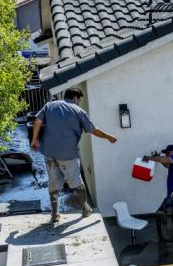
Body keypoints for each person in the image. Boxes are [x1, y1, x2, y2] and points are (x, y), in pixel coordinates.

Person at [31, 87, 117, 223]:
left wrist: (34, 139)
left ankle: (54, 214)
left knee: (53, 182)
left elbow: (37, 121)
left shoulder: (50, 105)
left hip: (49, 152)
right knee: (77, 182)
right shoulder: (78, 111)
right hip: (68, 154)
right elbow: (92, 130)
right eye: (79, 100)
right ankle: (85, 208)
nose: (79, 103)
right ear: (75, 98)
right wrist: (108, 137)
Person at [143, 145, 173, 239]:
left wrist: (150, 158)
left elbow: (166, 160)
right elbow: (166, 164)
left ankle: (163, 240)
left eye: (167, 153)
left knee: (161, 213)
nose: (166, 155)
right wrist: (157, 159)